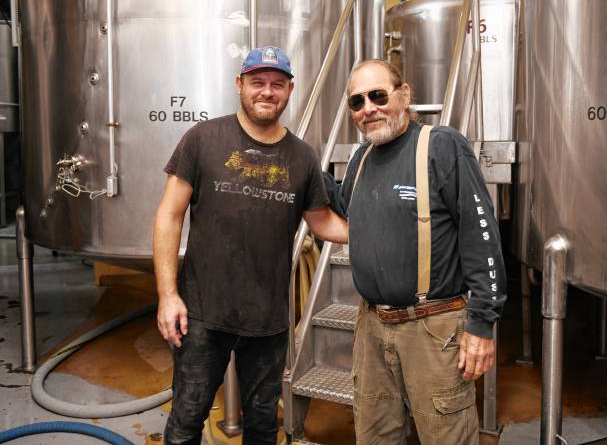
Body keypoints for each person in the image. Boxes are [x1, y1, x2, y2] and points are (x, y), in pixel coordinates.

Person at [152, 46, 348, 445]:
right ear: (240, 84)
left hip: (269, 320)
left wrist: (382, 230)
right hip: (202, 314)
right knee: (187, 419)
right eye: (257, 82)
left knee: (262, 425)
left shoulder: (304, 157)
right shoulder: (203, 139)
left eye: (277, 84)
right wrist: (167, 295)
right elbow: (168, 216)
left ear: (290, 90)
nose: (267, 92)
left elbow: (322, 221)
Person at [340, 59, 507, 444]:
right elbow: (341, 216)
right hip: (372, 330)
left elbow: (481, 236)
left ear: (405, 95)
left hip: (434, 330)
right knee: (374, 437)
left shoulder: (442, 146)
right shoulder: (359, 161)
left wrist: (482, 324)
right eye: (357, 102)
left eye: (378, 96)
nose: (369, 108)